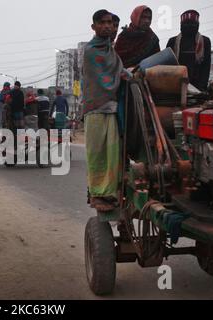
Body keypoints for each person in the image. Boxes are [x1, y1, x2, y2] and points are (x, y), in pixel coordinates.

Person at [83, 9, 128, 212]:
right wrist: (124, 77)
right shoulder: (91, 51)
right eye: (102, 22)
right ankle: (96, 194)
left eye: (110, 22)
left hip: (111, 108)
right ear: (94, 27)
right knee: (97, 154)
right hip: (95, 109)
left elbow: (119, 70)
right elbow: (107, 78)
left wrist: (135, 75)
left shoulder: (110, 50)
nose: (108, 26)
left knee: (112, 154)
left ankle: (109, 193)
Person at [167, 10, 211, 91]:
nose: (190, 26)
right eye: (186, 23)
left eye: (193, 23)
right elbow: (167, 66)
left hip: (198, 87)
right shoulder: (172, 41)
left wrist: (202, 88)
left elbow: (206, 67)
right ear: (181, 25)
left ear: (198, 25)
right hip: (176, 85)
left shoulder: (205, 41)